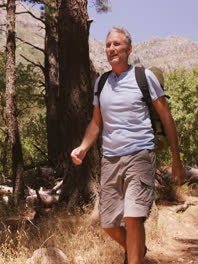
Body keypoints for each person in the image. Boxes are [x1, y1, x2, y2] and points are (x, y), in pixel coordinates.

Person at [71, 26, 186, 264]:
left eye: (117, 44)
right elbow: (96, 122)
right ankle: (138, 251)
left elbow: (166, 117)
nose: (111, 49)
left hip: (140, 154)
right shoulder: (101, 83)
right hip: (111, 159)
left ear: (129, 49)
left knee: (133, 217)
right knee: (108, 224)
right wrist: (83, 147)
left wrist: (177, 159)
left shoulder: (144, 77)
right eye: (108, 45)